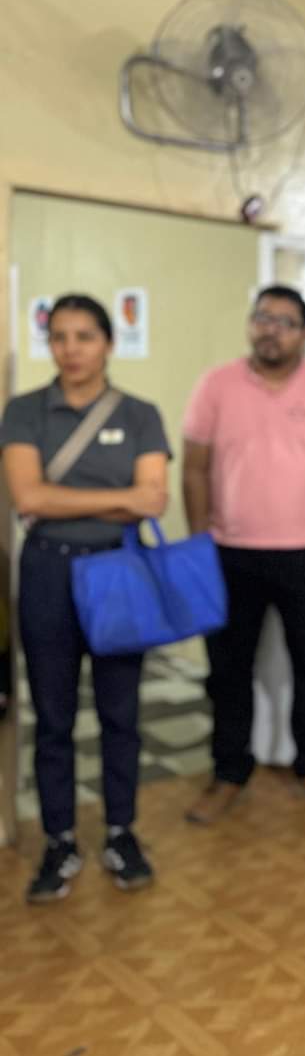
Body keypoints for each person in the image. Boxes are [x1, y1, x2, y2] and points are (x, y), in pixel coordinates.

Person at [0, 294, 170, 901]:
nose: (70, 350)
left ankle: (121, 832)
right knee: (53, 716)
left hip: (119, 571)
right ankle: (60, 840)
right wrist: (118, 497)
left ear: (108, 344)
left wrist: (63, 498)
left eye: (84, 337)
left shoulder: (141, 414)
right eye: (59, 337)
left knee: (121, 712)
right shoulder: (24, 411)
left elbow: (153, 499)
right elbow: (28, 498)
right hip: (48, 571)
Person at [182, 285, 305, 824]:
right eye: (263, 318)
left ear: (304, 334)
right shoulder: (216, 384)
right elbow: (194, 467)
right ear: (251, 324)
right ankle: (228, 771)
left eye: (285, 322)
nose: (271, 330)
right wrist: (199, 543)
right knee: (228, 669)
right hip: (229, 553)